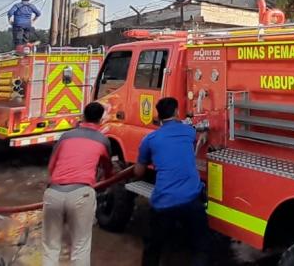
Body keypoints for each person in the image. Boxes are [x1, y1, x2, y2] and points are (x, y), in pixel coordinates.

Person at [131, 97, 208, 266]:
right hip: (191, 199)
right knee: (200, 247)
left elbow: (138, 172)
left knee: (153, 247)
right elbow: (200, 134)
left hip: (164, 203)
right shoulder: (188, 131)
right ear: (176, 112)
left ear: (158, 116)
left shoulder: (149, 139)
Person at [42, 102, 114, 266]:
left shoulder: (66, 136)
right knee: (80, 247)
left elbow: (51, 167)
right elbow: (108, 171)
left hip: (53, 193)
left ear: (83, 116)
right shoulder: (103, 140)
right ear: (100, 120)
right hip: (81, 194)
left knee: (51, 247)